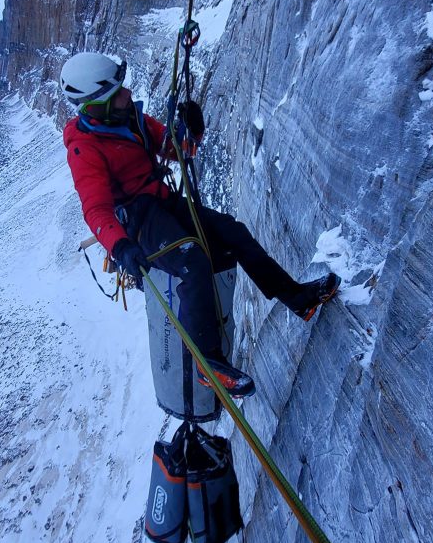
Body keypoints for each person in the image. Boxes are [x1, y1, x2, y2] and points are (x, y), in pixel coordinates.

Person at [61, 52, 340, 398]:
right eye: (118, 91)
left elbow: (179, 148)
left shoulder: (129, 118)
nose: (128, 94)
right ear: (98, 106)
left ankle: (298, 298)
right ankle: (209, 364)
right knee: (193, 261)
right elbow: (96, 209)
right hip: (140, 222)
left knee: (233, 233)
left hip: (163, 202)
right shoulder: (83, 148)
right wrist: (121, 247)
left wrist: (191, 128)